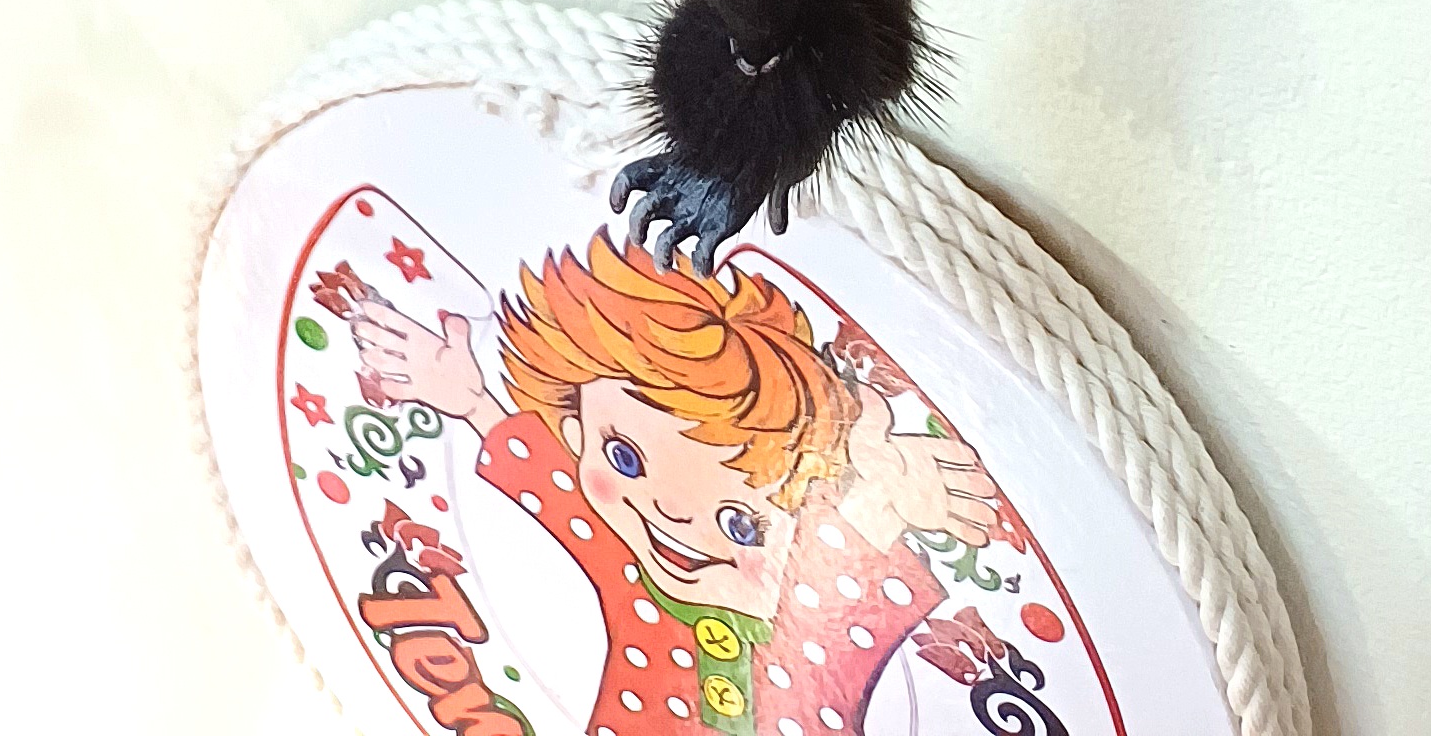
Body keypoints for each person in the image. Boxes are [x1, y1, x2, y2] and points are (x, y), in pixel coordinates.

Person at [352, 229, 996, 735]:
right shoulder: (633, 567)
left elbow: (852, 567)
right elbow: (557, 486)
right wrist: (469, 399)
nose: (669, 512)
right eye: (624, 457)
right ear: (577, 433)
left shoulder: (816, 597)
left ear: (801, 508)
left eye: (739, 521)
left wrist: (890, 502)